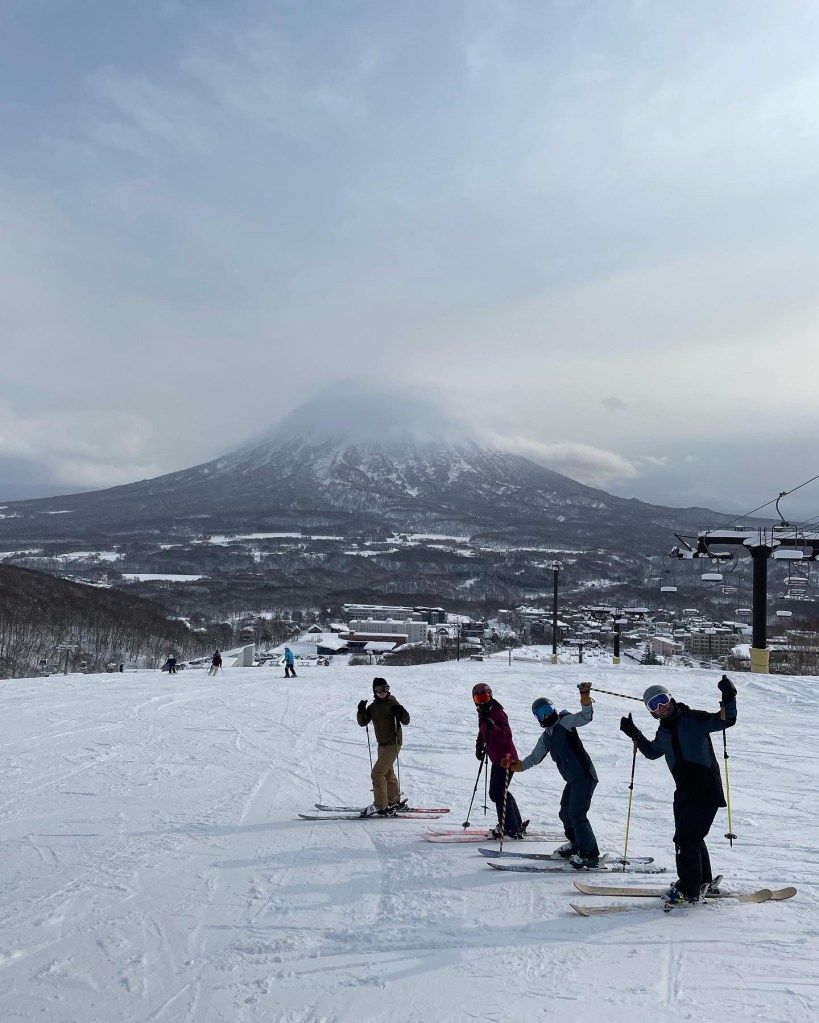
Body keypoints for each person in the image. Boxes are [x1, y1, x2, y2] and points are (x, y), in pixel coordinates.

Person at [619, 675, 737, 906]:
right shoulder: (664, 731)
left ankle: (688, 890)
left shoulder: (694, 718)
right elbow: (652, 752)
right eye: (654, 705)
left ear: (671, 699)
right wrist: (635, 734)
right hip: (683, 792)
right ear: (651, 711)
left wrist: (728, 696)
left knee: (686, 839)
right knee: (692, 838)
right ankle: (702, 881)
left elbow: (725, 720)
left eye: (663, 700)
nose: (661, 707)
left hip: (705, 789)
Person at [501, 682, 600, 868]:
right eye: (541, 714)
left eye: (548, 710)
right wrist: (515, 766)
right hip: (572, 780)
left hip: (585, 776)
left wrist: (585, 696)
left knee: (577, 815)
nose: (546, 716)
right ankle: (577, 844)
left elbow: (585, 717)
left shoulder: (565, 722)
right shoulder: (546, 737)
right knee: (565, 813)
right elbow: (534, 758)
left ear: (553, 708)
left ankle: (590, 854)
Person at [473, 682, 528, 839]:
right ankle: (515, 824)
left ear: (491, 696)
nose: (482, 702)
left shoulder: (498, 713)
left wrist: (494, 728)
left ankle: (509, 828)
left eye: (485, 698)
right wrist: (479, 745)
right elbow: (482, 730)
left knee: (497, 792)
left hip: (507, 759)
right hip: (497, 759)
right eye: (478, 699)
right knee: (498, 792)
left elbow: (506, 736)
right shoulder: (483, 713)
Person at [356, 677, 410, 816]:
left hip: (393, 743)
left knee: (377, 773)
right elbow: (363, 722)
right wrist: (361, 711)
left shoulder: (392, 703)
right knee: (387, 773)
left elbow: (406, 720)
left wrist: (401, 711)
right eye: (380, 689)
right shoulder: (373, 707)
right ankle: (393, 801)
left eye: (386, 688)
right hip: (382, 744)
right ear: (375, 691)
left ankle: (380, 805)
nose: (383, 692)